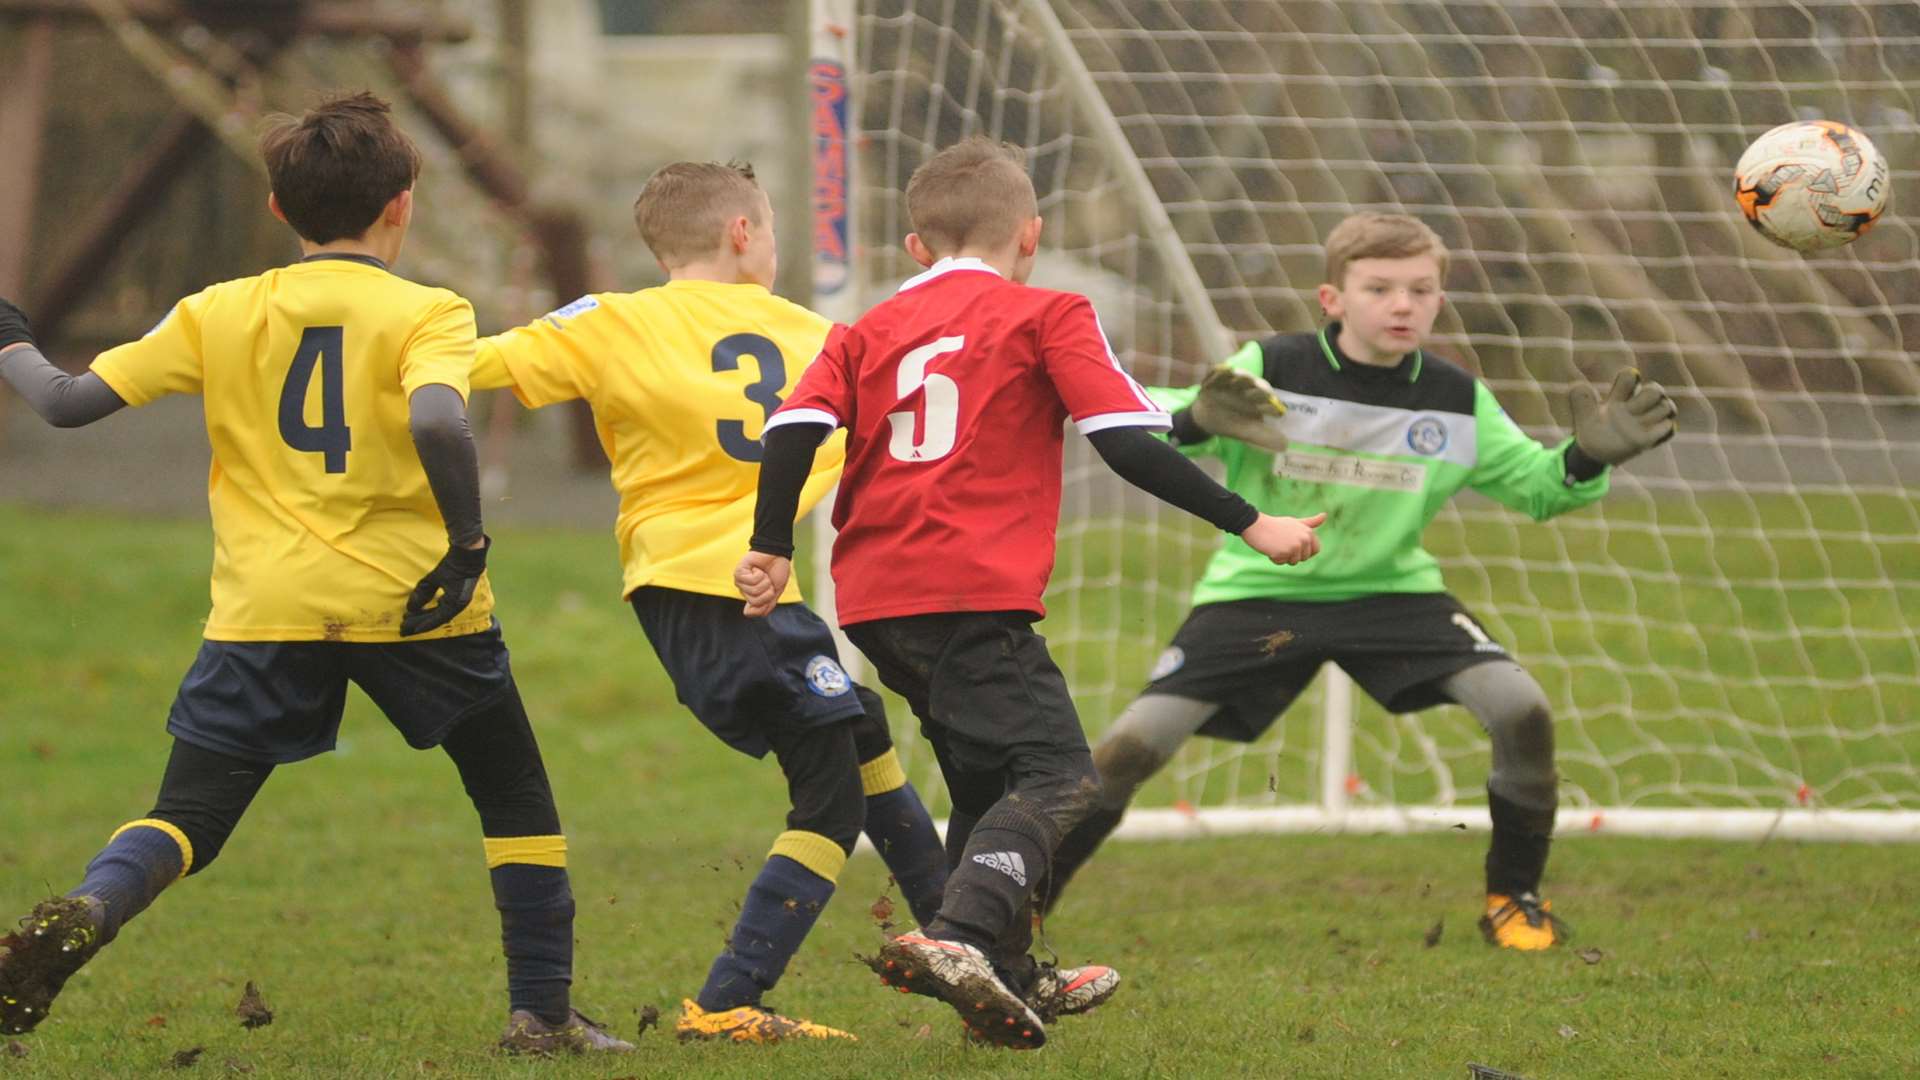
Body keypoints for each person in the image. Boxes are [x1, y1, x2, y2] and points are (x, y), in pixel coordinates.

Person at [0, 92, 628, 1055]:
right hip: (415, 602)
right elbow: (435, 419)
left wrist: (10, 339)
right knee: (514, 800)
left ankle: (88, 907)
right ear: (403, 203)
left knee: (187, 819)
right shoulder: (430, 311)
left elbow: (68, 404)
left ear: (278, 210)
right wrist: (467, 544)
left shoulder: (220, 309)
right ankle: (542, 1016)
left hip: (265, 608)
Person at [735, 136, 1324, 1050]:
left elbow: (791, 429)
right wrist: (1253, 521)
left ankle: (1005, 982)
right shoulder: (1047, 311)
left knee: (981, 779)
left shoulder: (864, 330)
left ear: (918, 248)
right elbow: (1125, 442)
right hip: (972, 590)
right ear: (1032, 234)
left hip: (876, 600)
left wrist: (772, 547)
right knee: (1059, 776)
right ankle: (960, 938)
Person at [1040, 212, 1678, 951]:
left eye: (1421, 290)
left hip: (1392, 592)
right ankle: (1024, 905)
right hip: (1260, 591)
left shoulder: (1454, 397)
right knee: (1130, 746)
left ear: (1440, 299)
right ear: (1332, 299)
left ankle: (1514, 899)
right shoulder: (1274, 365)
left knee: (1521, 709)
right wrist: (1191, 417)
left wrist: (1588, 457)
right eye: (1379, 288)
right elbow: (1136, 422)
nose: (1402, 305)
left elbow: (1540, 486)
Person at [470, 160, 955, 1043]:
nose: (771, 244)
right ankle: (730, 999)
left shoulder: (612, 320)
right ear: (742, 233)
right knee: (830, 804)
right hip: (731, 594)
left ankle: (963, 944)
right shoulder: (822, 334)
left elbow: (477, 367)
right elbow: (914, 425)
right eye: (769, 229)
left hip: (685, 591)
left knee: (864, 731)